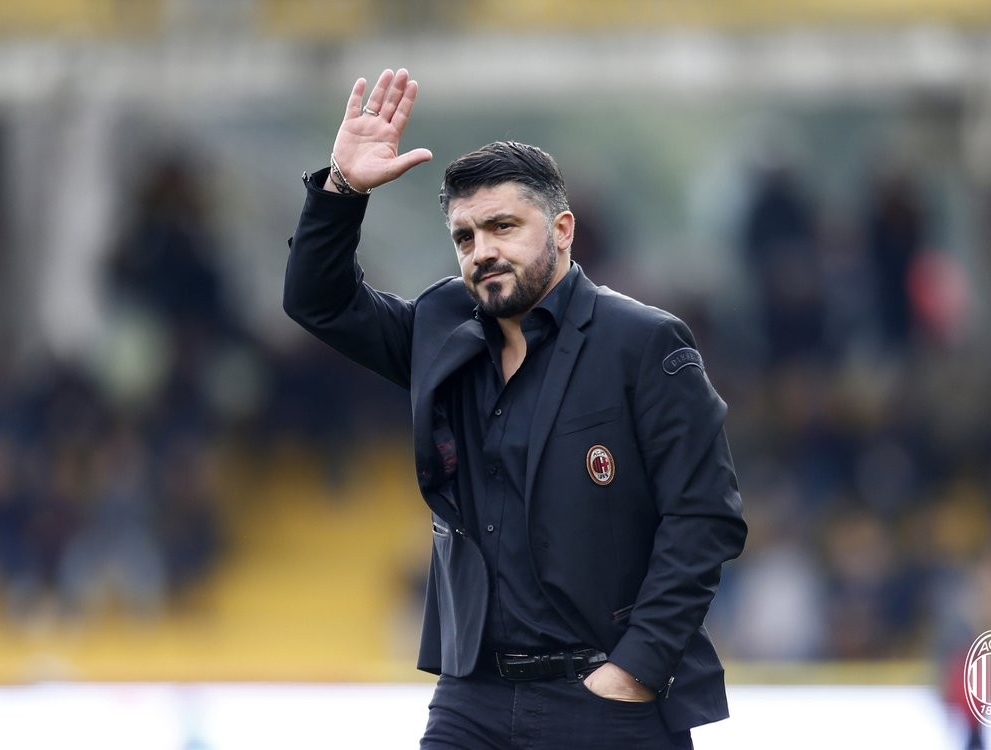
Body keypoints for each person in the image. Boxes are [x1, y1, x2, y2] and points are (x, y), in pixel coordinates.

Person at [283, 68, 747, 749]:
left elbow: (705, 515)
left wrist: (635, 669)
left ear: (562, 229)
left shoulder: (643, 343)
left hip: (607, 698)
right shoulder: (441, 327)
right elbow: (318, 302)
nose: (483, 252)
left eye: (503, 226)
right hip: (472, 700)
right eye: (465, 237)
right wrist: (343, 191)